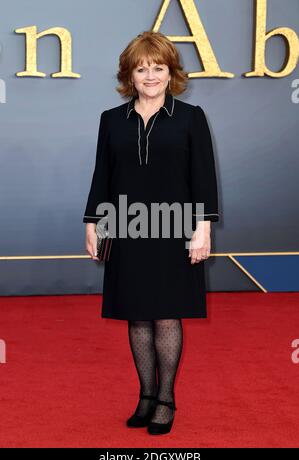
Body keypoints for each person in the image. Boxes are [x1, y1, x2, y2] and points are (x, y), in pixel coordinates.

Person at [83, 31, 219, 435]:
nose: (150, 75)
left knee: (166, 315)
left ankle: (166, 399)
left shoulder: (191, 117)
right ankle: (145, 394)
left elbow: (204, 177)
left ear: (170, 71)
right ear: (130, 74)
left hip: (175, 227)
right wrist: (93, 223)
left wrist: (202, 228)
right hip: (126, 226)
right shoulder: (111, 120)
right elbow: (101, 176)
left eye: (158, 67)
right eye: (142, 68)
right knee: (136, 315)